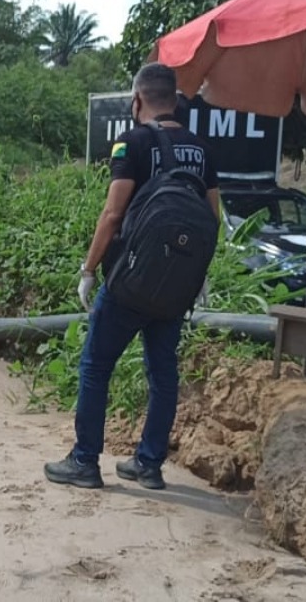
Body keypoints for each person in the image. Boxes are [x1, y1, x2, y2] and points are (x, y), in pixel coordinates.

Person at [44, 63, 220, 491]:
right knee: (163, 373)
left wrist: (89, 270)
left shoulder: (132, 143)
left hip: (129, 283)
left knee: (96, 364)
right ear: (176, 100)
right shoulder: (201, 149)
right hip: (176, 288)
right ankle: (148, 464)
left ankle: (85, 461)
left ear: (136, 101)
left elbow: (113, 213)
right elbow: (211, 219)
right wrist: (198, 276)